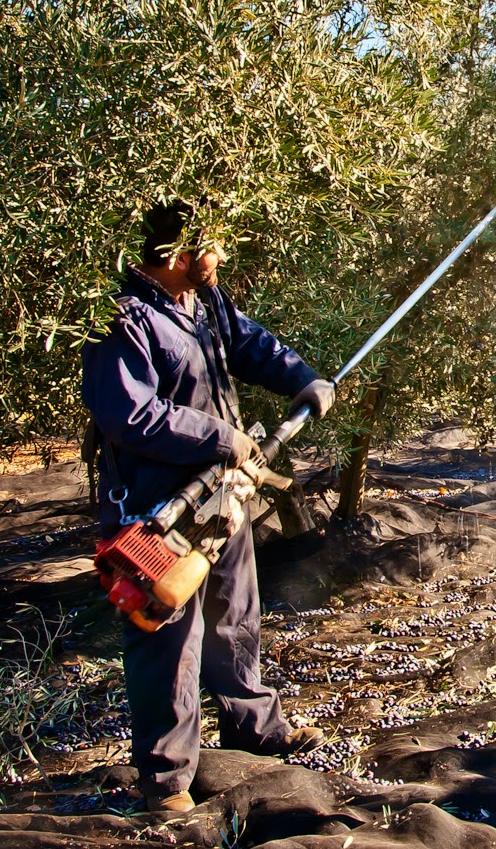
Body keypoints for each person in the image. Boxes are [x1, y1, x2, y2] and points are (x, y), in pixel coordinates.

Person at [82, 200, 336, 813]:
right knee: (168, 638)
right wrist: (224, 438)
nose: (220, 257)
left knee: (234, 611)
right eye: (212, 246)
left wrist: (303, 378)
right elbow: (128, 414)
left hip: (223, 497)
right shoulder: (121, 320)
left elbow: (248, 344)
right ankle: (166, 780)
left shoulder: (205, 301)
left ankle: (253, 726)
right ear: (175, 253)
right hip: (158, 509)